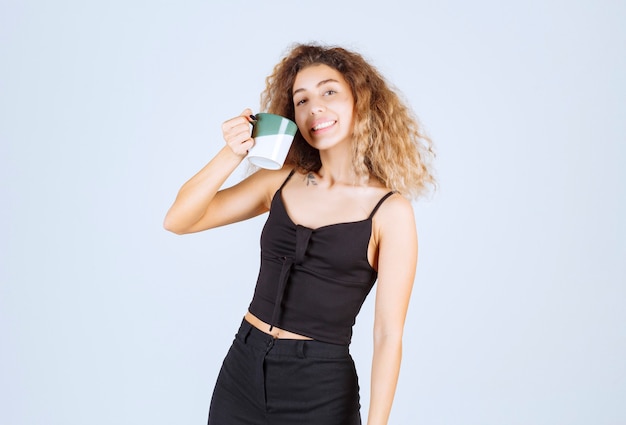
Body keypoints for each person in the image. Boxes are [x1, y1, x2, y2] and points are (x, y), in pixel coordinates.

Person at [163, 43, 435, 425]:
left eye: (329, 92)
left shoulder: (390, 212)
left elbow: (389, 334)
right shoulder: (280, 180)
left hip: (320, 390)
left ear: (360, 101)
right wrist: (232, 153)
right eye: (301, 100)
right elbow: (179, 220)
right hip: (242, 370)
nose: (314, 108)